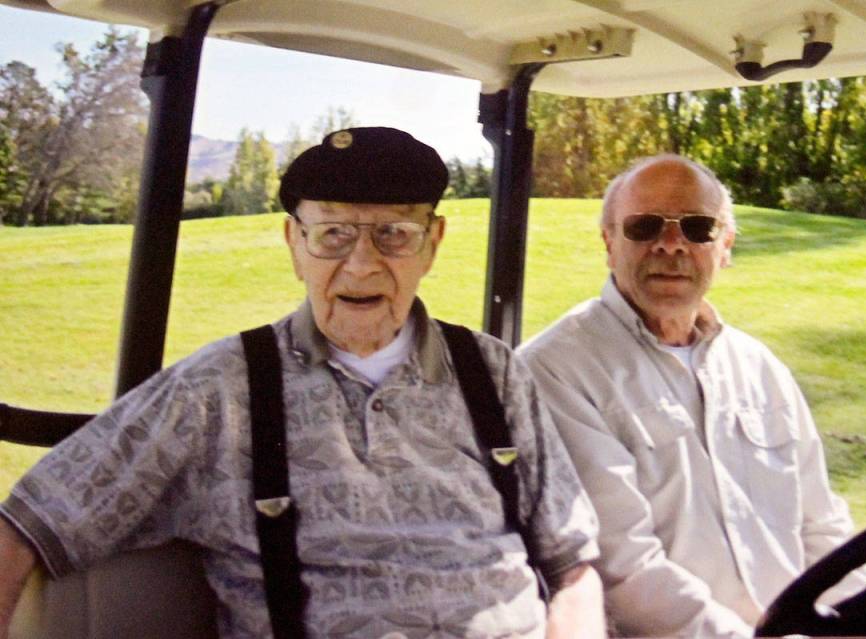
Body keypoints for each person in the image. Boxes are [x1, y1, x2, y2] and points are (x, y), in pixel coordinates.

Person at [0, 127, 604, 639]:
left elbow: (573, 566)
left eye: (394, 233)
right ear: (295, 243)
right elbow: (26, 523)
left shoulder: (493, 373)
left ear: (433, 243)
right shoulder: (218, 390)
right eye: (333, 233)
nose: (362, 263)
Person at [517, 154, 866, 638]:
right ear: (609, 243)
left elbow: (822, 529)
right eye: (644, 226)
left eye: (698, 228)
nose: (671, 244)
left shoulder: (760, 368)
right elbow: (621, 568)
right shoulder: (556, 370)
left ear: (724, 246)